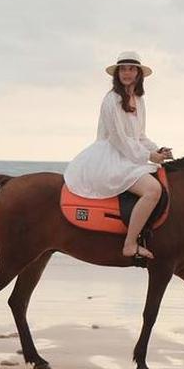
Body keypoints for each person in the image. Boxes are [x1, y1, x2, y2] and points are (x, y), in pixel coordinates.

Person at [64, 52, 172, 262]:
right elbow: (119, 139)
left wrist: (157, 151)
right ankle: (130, 244)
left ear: (139, 74)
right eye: (123, 69)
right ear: (117, 73)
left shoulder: (139, 100)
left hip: (129, 155)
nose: (127, 73)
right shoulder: (111, 100)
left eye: (131, 69)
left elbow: (139, 136)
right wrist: (148, 155)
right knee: (152, 190)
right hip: (110, 157)